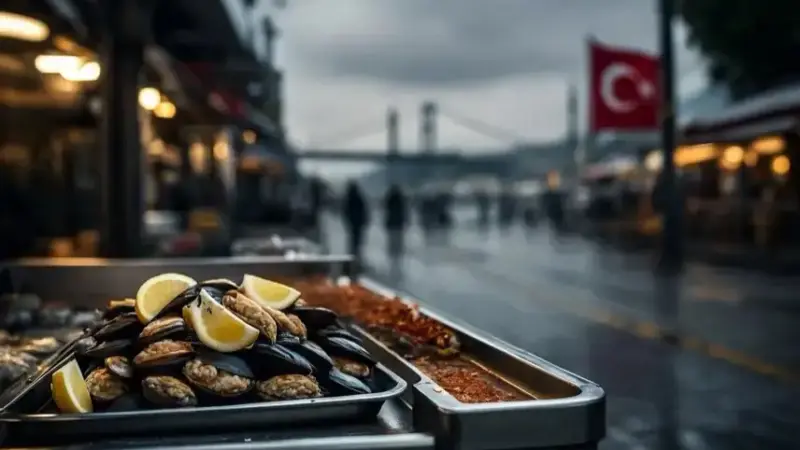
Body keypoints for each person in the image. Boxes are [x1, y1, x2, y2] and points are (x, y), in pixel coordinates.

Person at [343, 181, 369, 261]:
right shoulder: (359, 197)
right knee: (358, 241)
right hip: (358, 223)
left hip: (352, 223)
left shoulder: (349, 198)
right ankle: (357, 257)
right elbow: (364, 211)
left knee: (352, 240)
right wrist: (365, 221)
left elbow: (345, 212)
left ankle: (352, 256)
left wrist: (347, 221)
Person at [383, 185, 408, 258]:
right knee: (398, 239)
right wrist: (406, 221)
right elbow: (404, 212)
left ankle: (392, 253)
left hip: (391, 223)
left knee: (392, 239)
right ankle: (398, 253)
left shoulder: (389, 199)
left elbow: (386, 212)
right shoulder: (401, 199)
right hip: (399, 223)